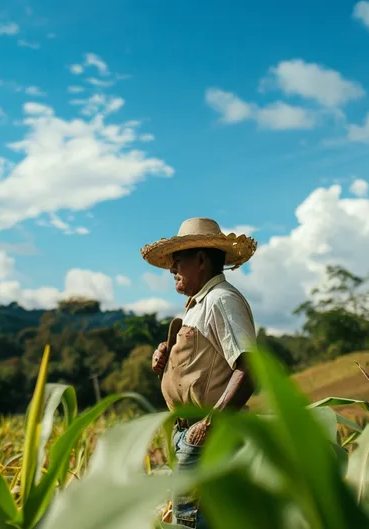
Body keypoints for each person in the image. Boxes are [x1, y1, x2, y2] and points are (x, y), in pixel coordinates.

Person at [140, 217, 258, 529]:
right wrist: (167, 358)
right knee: (189, 521)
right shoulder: (197, 305)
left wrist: (209, 423)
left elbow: (250, 367)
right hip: (192, 435)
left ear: (202, 260)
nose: (171, 270)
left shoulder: (222, 300)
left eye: (177, 261)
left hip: (210, 437)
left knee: (196, 523)